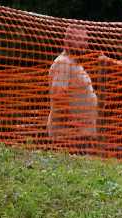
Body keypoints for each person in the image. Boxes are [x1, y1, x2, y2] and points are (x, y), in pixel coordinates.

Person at [47, 25, 98, 154]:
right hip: (68, 137)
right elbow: (59, 97)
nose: (84, 44)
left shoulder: (74, 63)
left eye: (85, 40)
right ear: (68, 40)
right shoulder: (63, 63)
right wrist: (74, 124)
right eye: (80, 40)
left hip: (79, 136)